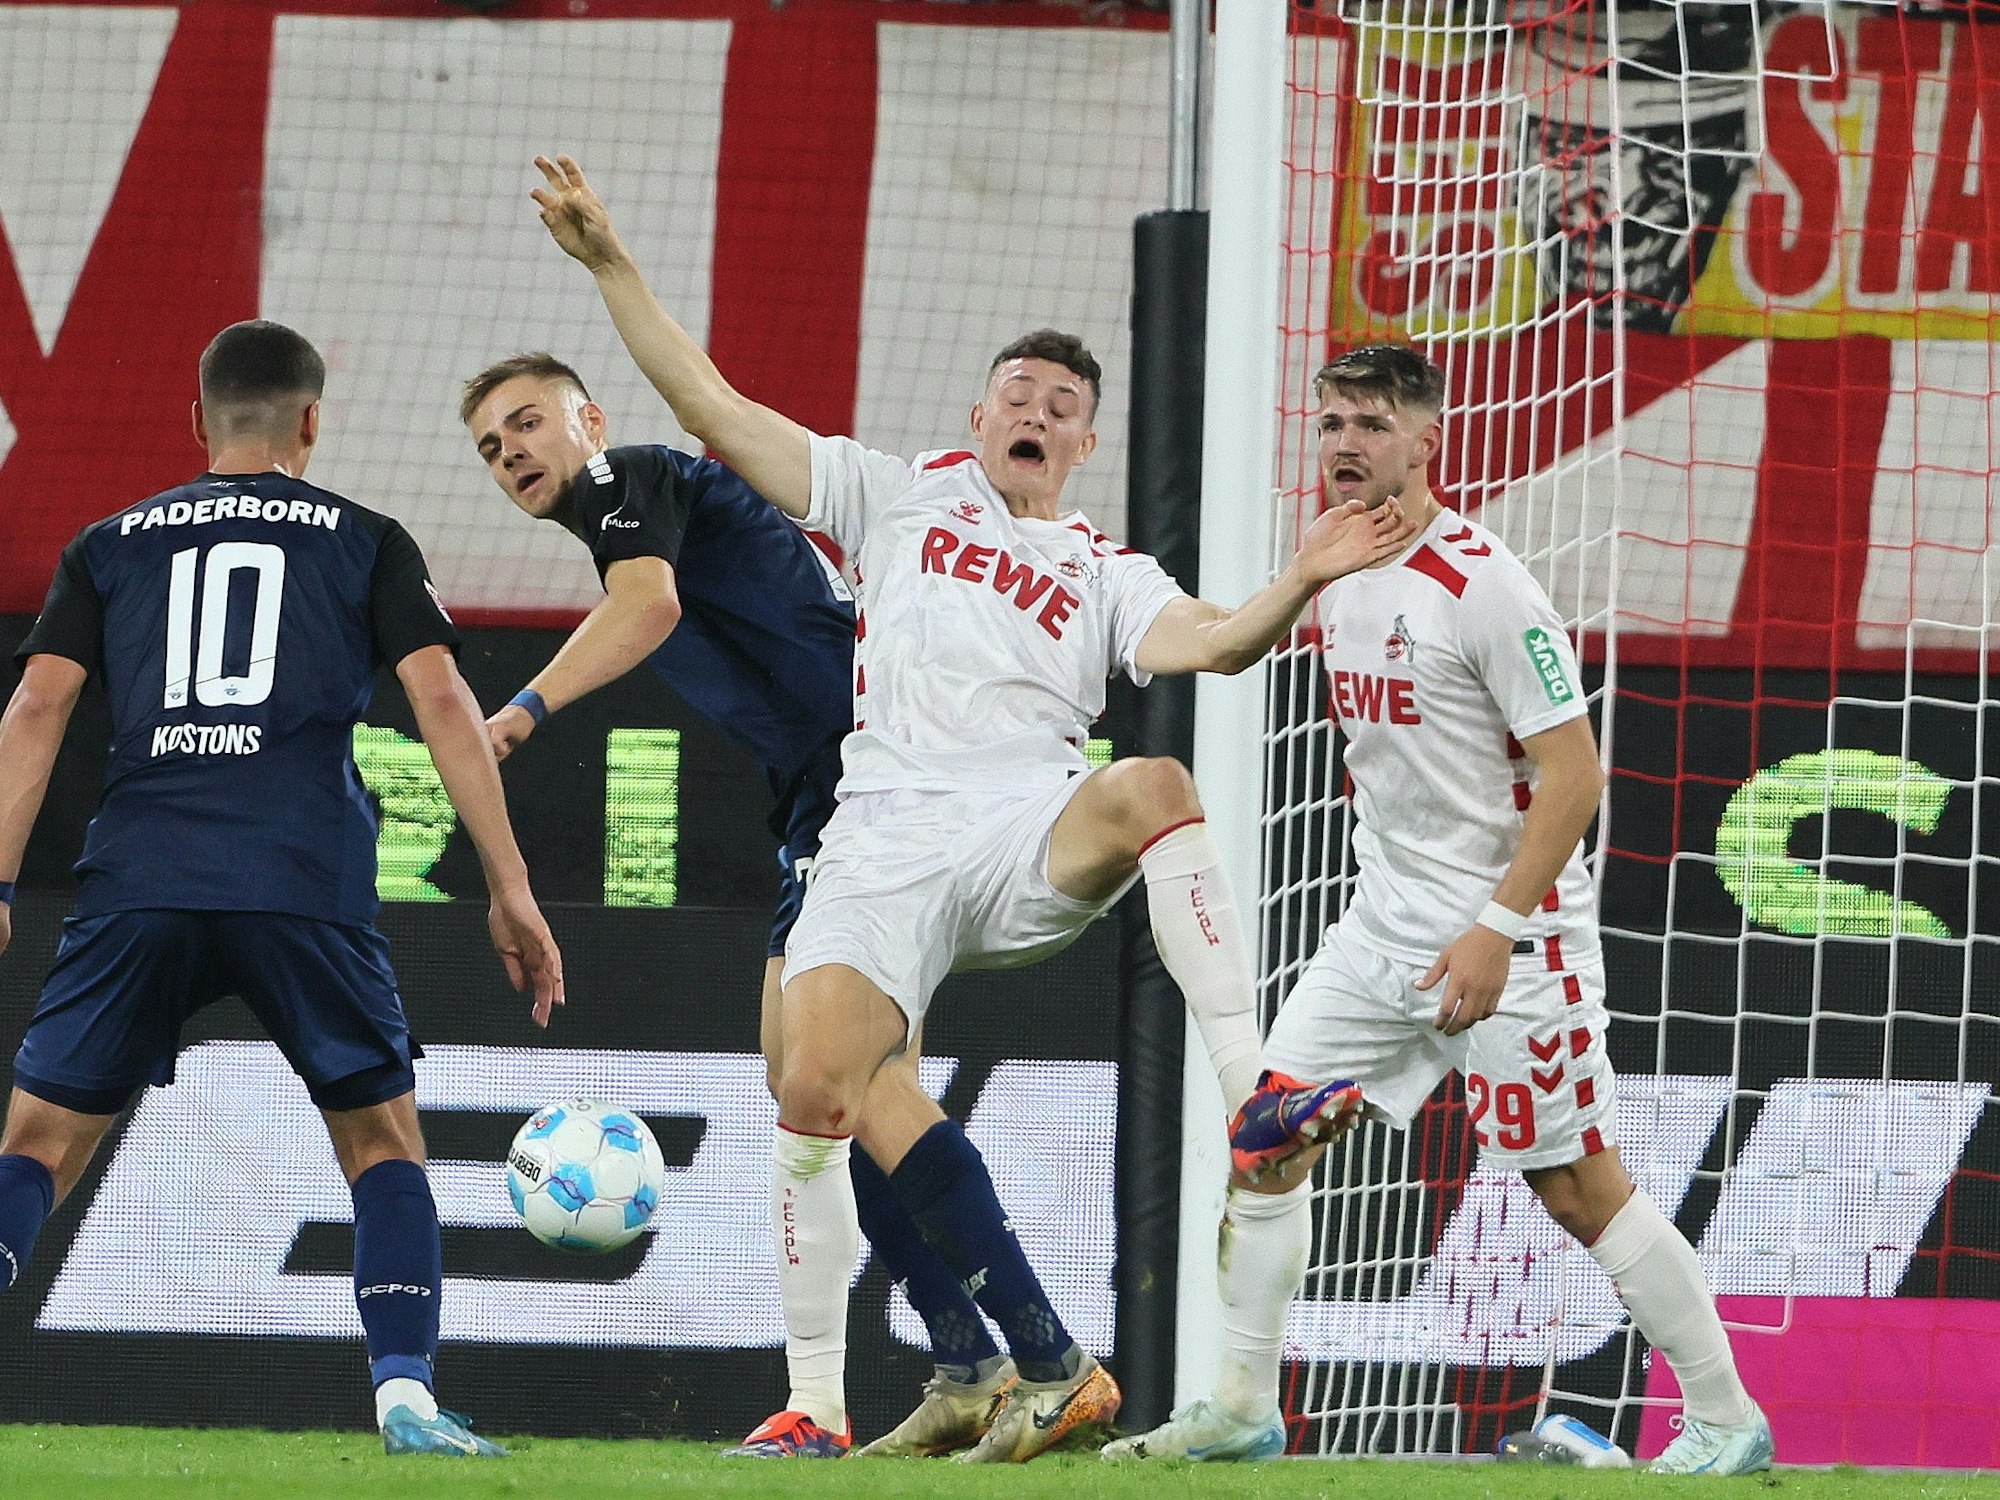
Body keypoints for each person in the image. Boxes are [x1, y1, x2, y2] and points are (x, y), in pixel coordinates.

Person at [525, 153, 1412, 1460]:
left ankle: (1252, 1102)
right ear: (981, 414)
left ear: (1087, 440)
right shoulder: (898, 495)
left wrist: (1306, 576)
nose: (1038, 410)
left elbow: (1218, 645)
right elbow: (711, 404)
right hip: (878, 840)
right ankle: (1035, 1368)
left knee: (1157, 784)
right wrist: (611, 264)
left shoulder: (1104, 567)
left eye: (1063, 401)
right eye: (1020, 393)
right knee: (825, 1083)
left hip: (1022, 833)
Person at [1105, 344, 1773, 1474]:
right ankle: (1239, 1404)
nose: (1344, 444)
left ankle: (1723, 1418)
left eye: (1370, 423)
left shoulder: (1486, 589)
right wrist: (1304, 574)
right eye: (1328, 424)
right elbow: (1227, 648)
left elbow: (1576, 776)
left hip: (1512, 940)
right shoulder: (1330, 566)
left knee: (1572, 1184)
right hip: (1379, 931)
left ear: (1427, 441)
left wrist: (1495, 932)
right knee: (1263, 1138)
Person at [459, 352, 1111, 1458]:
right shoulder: (637, 508)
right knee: (811, 1076)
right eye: (490, 447)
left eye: (527, 424)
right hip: (827, 789)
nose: (512, 451)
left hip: (863, 779)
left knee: (838, 1082)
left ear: (588, 419)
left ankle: (1022, 1364)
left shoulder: (629, 479)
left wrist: (523, 708)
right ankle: (967, 1361)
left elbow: (648, 605)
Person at [0, 320, 564, 1458]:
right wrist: (509, 885)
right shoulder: (366, 539)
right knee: (383, 1144)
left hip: (142, 876)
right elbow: (446, 705)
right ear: (312, 421)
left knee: (38, 1144)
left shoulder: (108, 542)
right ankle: (405, 1397)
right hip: (302, 878)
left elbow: (34, 713)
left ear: (197, 423)